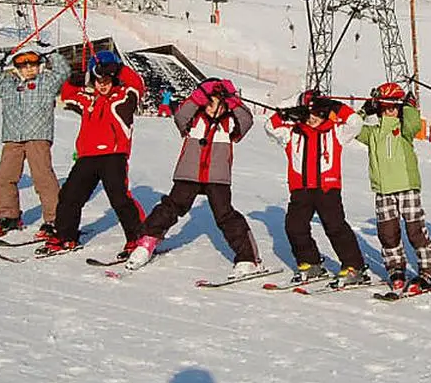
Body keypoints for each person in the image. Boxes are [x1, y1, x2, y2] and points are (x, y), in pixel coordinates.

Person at [125, 78, 263, 278]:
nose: (212, 109)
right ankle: (147, 241)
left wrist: (233, 99)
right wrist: (200, 95)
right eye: (208, 103)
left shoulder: (230, 123)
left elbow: (247, 120)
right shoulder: (193, 119)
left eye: (218, 104)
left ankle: (247, 258)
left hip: (218, 177)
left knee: (225, 216)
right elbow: (180, 114)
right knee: (171, 207)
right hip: (188, 174)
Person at [38, 51, 146, 257]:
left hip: (114, 155)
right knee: (70, 195)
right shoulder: (89, 100)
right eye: (98, 80)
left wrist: (118, 68)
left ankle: (137, 237)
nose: (102, 85)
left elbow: (137, 84)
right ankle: (65, 235)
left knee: (119, 197)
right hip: (87, 156)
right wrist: (74, 79)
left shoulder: (124, 97)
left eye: (107, 80)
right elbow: (68, 95)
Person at [264, 90, 369, 287]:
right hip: (300, 189)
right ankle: (311, 263)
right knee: (294, 227)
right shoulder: (292, 133)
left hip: (327, 189)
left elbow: (356, 123)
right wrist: (286, 114)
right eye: (308, 114)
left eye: (318, 114)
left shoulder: (335, 131)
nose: (312, 119)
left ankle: (354, 266)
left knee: (335, 227)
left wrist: (335, 107)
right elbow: (269, 127)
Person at [358, 82, 431, 294]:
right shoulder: (372, 133)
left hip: (406, 186)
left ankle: (429, 270)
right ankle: (395, 268)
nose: (390, 111)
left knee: (415, 231)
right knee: (388, 233)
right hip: (383, 189)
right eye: (386, 107)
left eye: (394, 107)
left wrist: (409, 106)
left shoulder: (403, 129)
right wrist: (364, 110)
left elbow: (414, 125)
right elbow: (350, 127)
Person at [0, 46, 70, 239]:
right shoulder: (8, 84)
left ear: (39, 65)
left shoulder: (46, 82)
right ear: (16, 68)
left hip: (38, 136)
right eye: (23, 65)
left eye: (33, 64)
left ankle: (55, 218)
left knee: (42, 177)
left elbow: (63, 72)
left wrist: (51, 55)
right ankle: (8, 215)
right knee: (4, 176)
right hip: (13, 137)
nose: (28, 68)